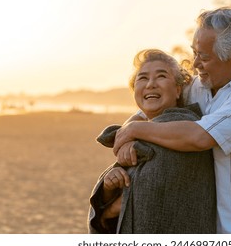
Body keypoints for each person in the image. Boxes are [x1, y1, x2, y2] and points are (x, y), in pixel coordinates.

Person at [113, 8, 231, 234]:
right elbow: (155, 108)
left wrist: (135, 131)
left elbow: (199, 137)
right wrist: (130, 135)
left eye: (204, 57)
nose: (195, 63)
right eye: (194, 52)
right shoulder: (201, 85)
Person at [88, 49, 216, 234]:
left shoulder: (184, 128)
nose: (150, 84)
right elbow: (135, 184)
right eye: (142, 78)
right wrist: (109, 186)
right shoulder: (141, 134)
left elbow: (153, 191)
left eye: (161, 76)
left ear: (178, 89)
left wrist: (110, 210)